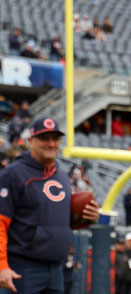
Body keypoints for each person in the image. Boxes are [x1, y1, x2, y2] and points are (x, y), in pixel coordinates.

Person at [0, 117, 99, 293]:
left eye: (55, 139)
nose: (51, 143)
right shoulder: (13, 174)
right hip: (23, 268)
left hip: (56, 269)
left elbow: (59, 222)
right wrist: (1, 266)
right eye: (44, 138)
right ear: (31, 141)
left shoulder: (61, 176)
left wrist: (87, 219)